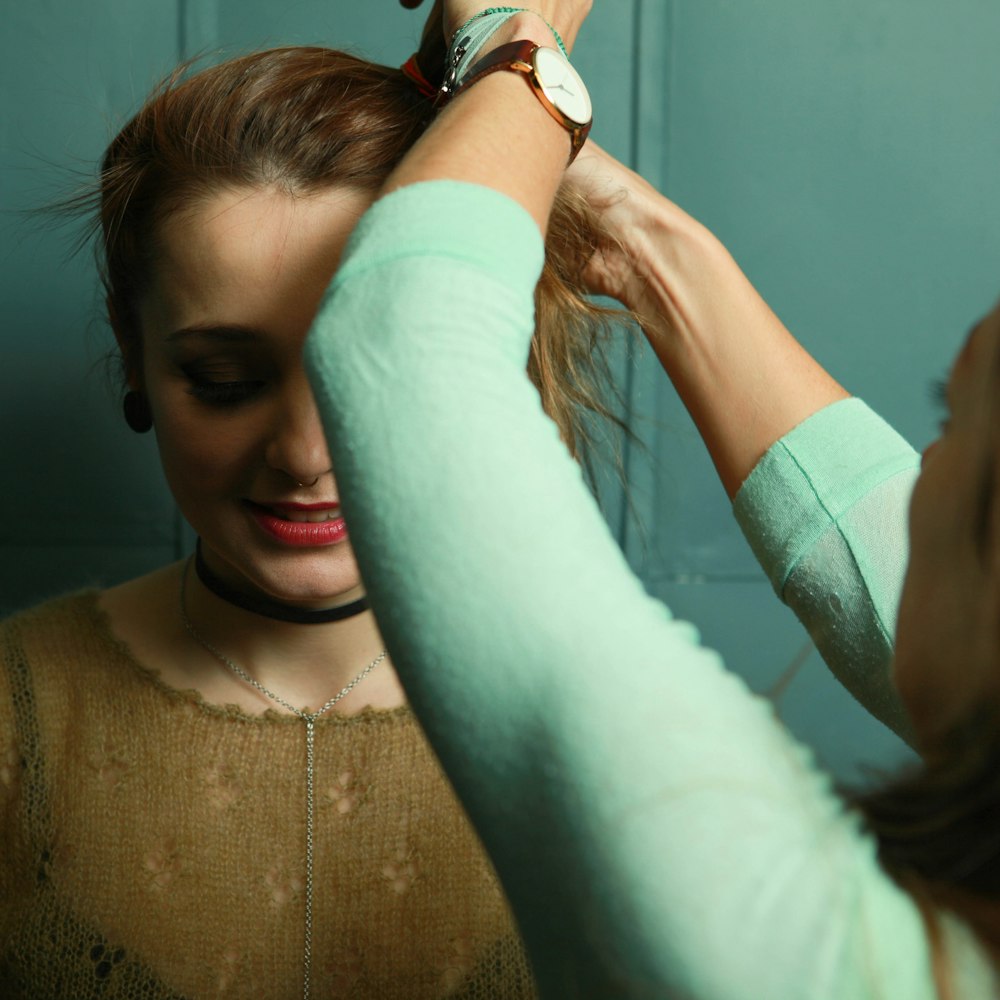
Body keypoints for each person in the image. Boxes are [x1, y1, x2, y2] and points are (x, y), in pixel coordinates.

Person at [304, 0, 1000, 996]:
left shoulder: (795, 960)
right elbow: (878, 553)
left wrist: (521, 42)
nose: (915, 478)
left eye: (951, 424)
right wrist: (635, 245)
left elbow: (401, 341)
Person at [0, 14, 628, 999]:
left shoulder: (598, 729)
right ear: (133, 352)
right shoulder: (18, 713)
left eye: (361, 367)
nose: (301, 455)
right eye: (221, 377)